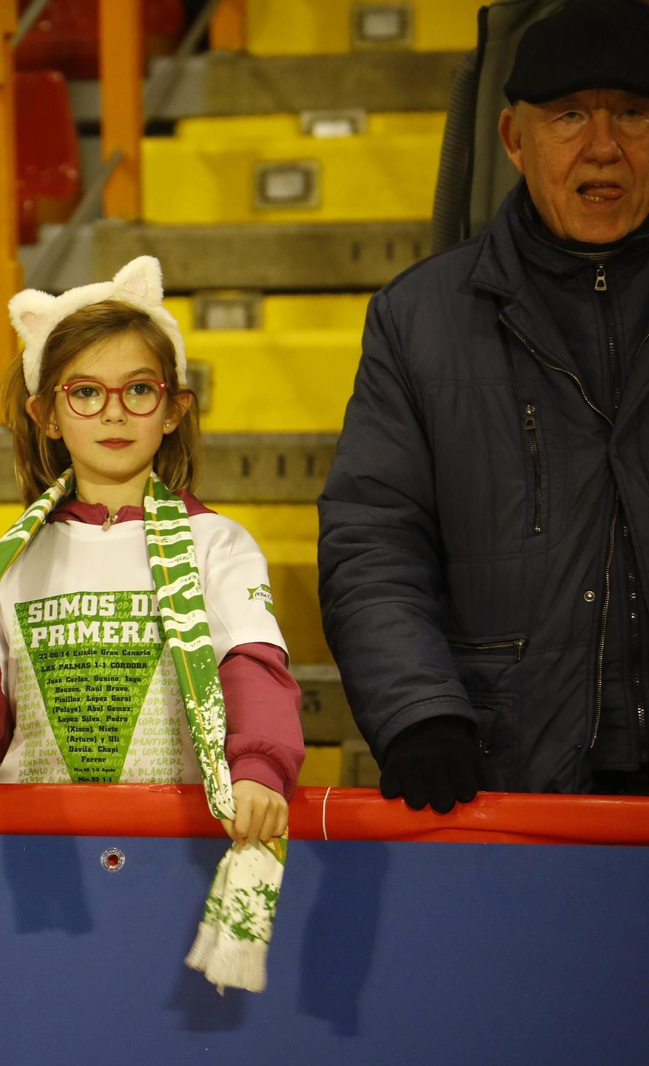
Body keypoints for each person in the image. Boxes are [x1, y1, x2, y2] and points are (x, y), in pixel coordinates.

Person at [0, 257, 304, 990]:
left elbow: (253, 666)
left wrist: (261, 769)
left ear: (174, 408)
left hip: (174, 850)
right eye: (86, 393)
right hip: (37, 864)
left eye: (139, 391)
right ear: (47, 416)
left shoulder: (218, 543)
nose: (116, 413)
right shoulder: (9, 560)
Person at [319, 0, 649, 813]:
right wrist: (420, 711)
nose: (603, 147)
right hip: (505, 787)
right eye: (569, 116)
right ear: (512, 140)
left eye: (635, 116)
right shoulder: (417, 318)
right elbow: (374, 542)